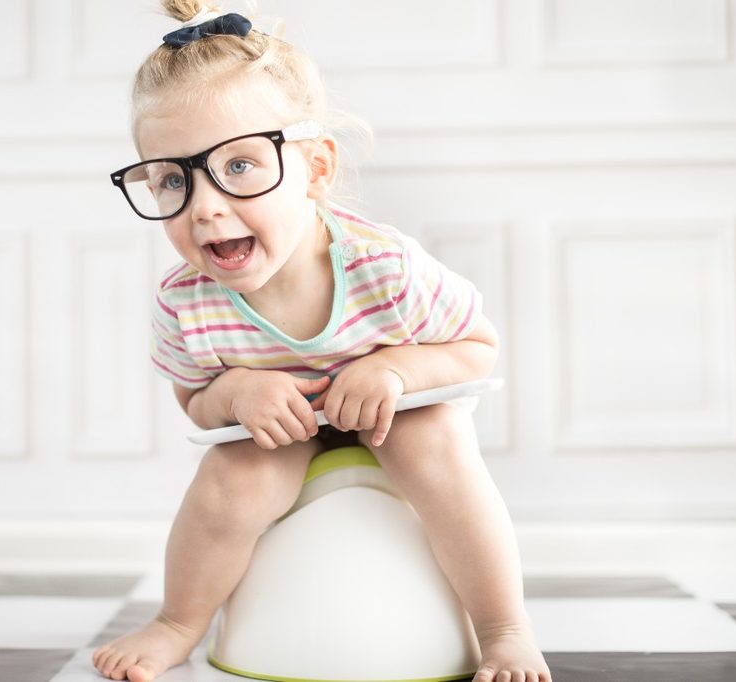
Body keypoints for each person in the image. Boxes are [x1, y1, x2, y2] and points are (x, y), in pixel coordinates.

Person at [94, 3, 552, 681]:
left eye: (240, 165)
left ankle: (504, 629)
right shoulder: (185, 301)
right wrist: (236, 392)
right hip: (283, 436)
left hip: (396, 417)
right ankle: (179, 621)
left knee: (437, 442)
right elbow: (194, 398)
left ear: (315, 169)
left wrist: (396, 371)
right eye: (171, 179)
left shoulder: (387, 268)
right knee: (231, 479)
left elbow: (477, 348)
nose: (206, 206)